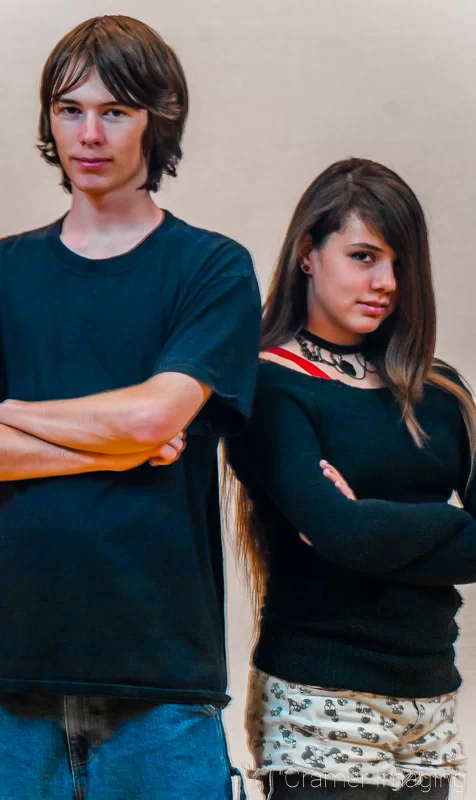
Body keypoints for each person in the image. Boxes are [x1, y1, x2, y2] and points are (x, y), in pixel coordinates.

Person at [0, 15, 261, 800]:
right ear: (49, 121)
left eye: (115, 111)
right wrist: (110, 444)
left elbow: (155, 419)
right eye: (69, 109)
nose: (89, 133)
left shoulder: (212, 268)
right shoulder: (2, 270)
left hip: (159, 682)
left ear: (159, 120)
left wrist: (9, 411)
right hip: (9, 672)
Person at [225, 157, 476, 799]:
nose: (387, 281)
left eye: (399, 262)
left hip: (431, 703)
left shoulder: (440, 389)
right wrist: (451, 522)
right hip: (319, 700)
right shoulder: (269, 386)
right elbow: (343, 536)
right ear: (309, 253)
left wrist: (364, 521)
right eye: (364, 256)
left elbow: (351, 533)